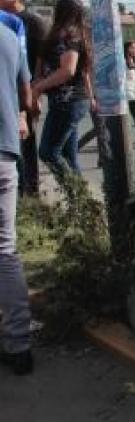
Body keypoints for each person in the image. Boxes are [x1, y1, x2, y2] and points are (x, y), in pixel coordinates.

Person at [0, 21, 34, 375]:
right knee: (5, 250)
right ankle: (18, 344)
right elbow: (27, 96)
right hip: (5, 155)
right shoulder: (9, 36)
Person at [31, 0, 92, 181]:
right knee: (69, 155)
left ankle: (78, 197)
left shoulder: (70, 35)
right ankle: (83, 206)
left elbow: (68, 70)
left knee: (48, 152)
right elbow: (81, 72)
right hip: (69, 101)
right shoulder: (71, 34)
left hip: (69, 101)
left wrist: (39, 87)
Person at [0, 0, 47, 197]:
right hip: (9, 87)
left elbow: (40, 58)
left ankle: (30, 189)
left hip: (25, 88)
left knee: (26, 143)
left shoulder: (32, 22)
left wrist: (35, 90)